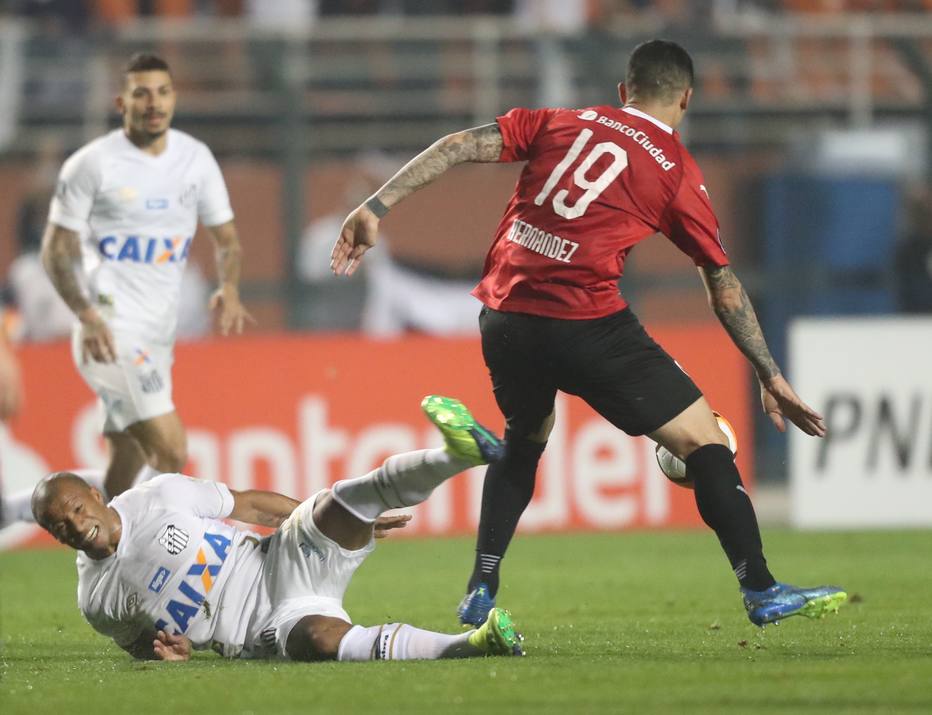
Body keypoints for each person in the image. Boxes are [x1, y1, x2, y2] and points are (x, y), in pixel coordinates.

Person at [332, 39, 846, 628]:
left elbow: (456, 146)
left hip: (503, 317)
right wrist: (769, 373)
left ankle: (481, 586)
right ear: (686, 100)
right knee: (706, 442)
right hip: (584, 322)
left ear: (624, 92)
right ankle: (761, 589)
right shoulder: (676, 169)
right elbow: (721, 285)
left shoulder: (561, 120)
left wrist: (376, 206)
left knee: (524, 436)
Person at [31, 395, 524, 662]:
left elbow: (248, 505)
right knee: (322, 641)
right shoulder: (96, 600)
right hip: (263, 631)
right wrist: (167, 654)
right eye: (59, 527)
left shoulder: (159, 495)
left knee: (338, 500)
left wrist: (319, 520)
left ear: (96, 496)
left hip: (278, 563)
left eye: (75, 509)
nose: (75, 526)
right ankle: (474, 644)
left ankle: (456, 454)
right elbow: (141, 646)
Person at [38, 53, 253, 502]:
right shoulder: (92, 165)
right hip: (109, 332)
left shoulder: (195, 159)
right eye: (141, 93)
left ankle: (101, 562)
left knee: (127, 460)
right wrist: (86, 314)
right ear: (122, 102)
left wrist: (229, 286)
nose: (153, 103)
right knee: (171, 452)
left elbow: (228, 240)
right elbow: (56, 249)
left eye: (162, 92)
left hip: (158, 337)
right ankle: (157, 556)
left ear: (174, 97)